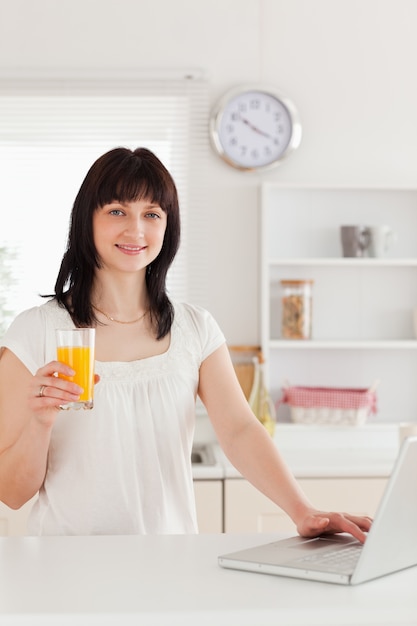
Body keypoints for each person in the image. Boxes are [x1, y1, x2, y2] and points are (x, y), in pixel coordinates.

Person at [0, 147, 371, 540]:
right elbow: (11, 493)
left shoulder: (196, 328)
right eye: (116, 211)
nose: (135, 230)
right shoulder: (35, 332)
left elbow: (240, 430)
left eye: (152, 214)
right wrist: (40, 423)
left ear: (167, 227)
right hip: (67, 571)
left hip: (170, 566)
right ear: (86, 220)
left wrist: (302, 510)